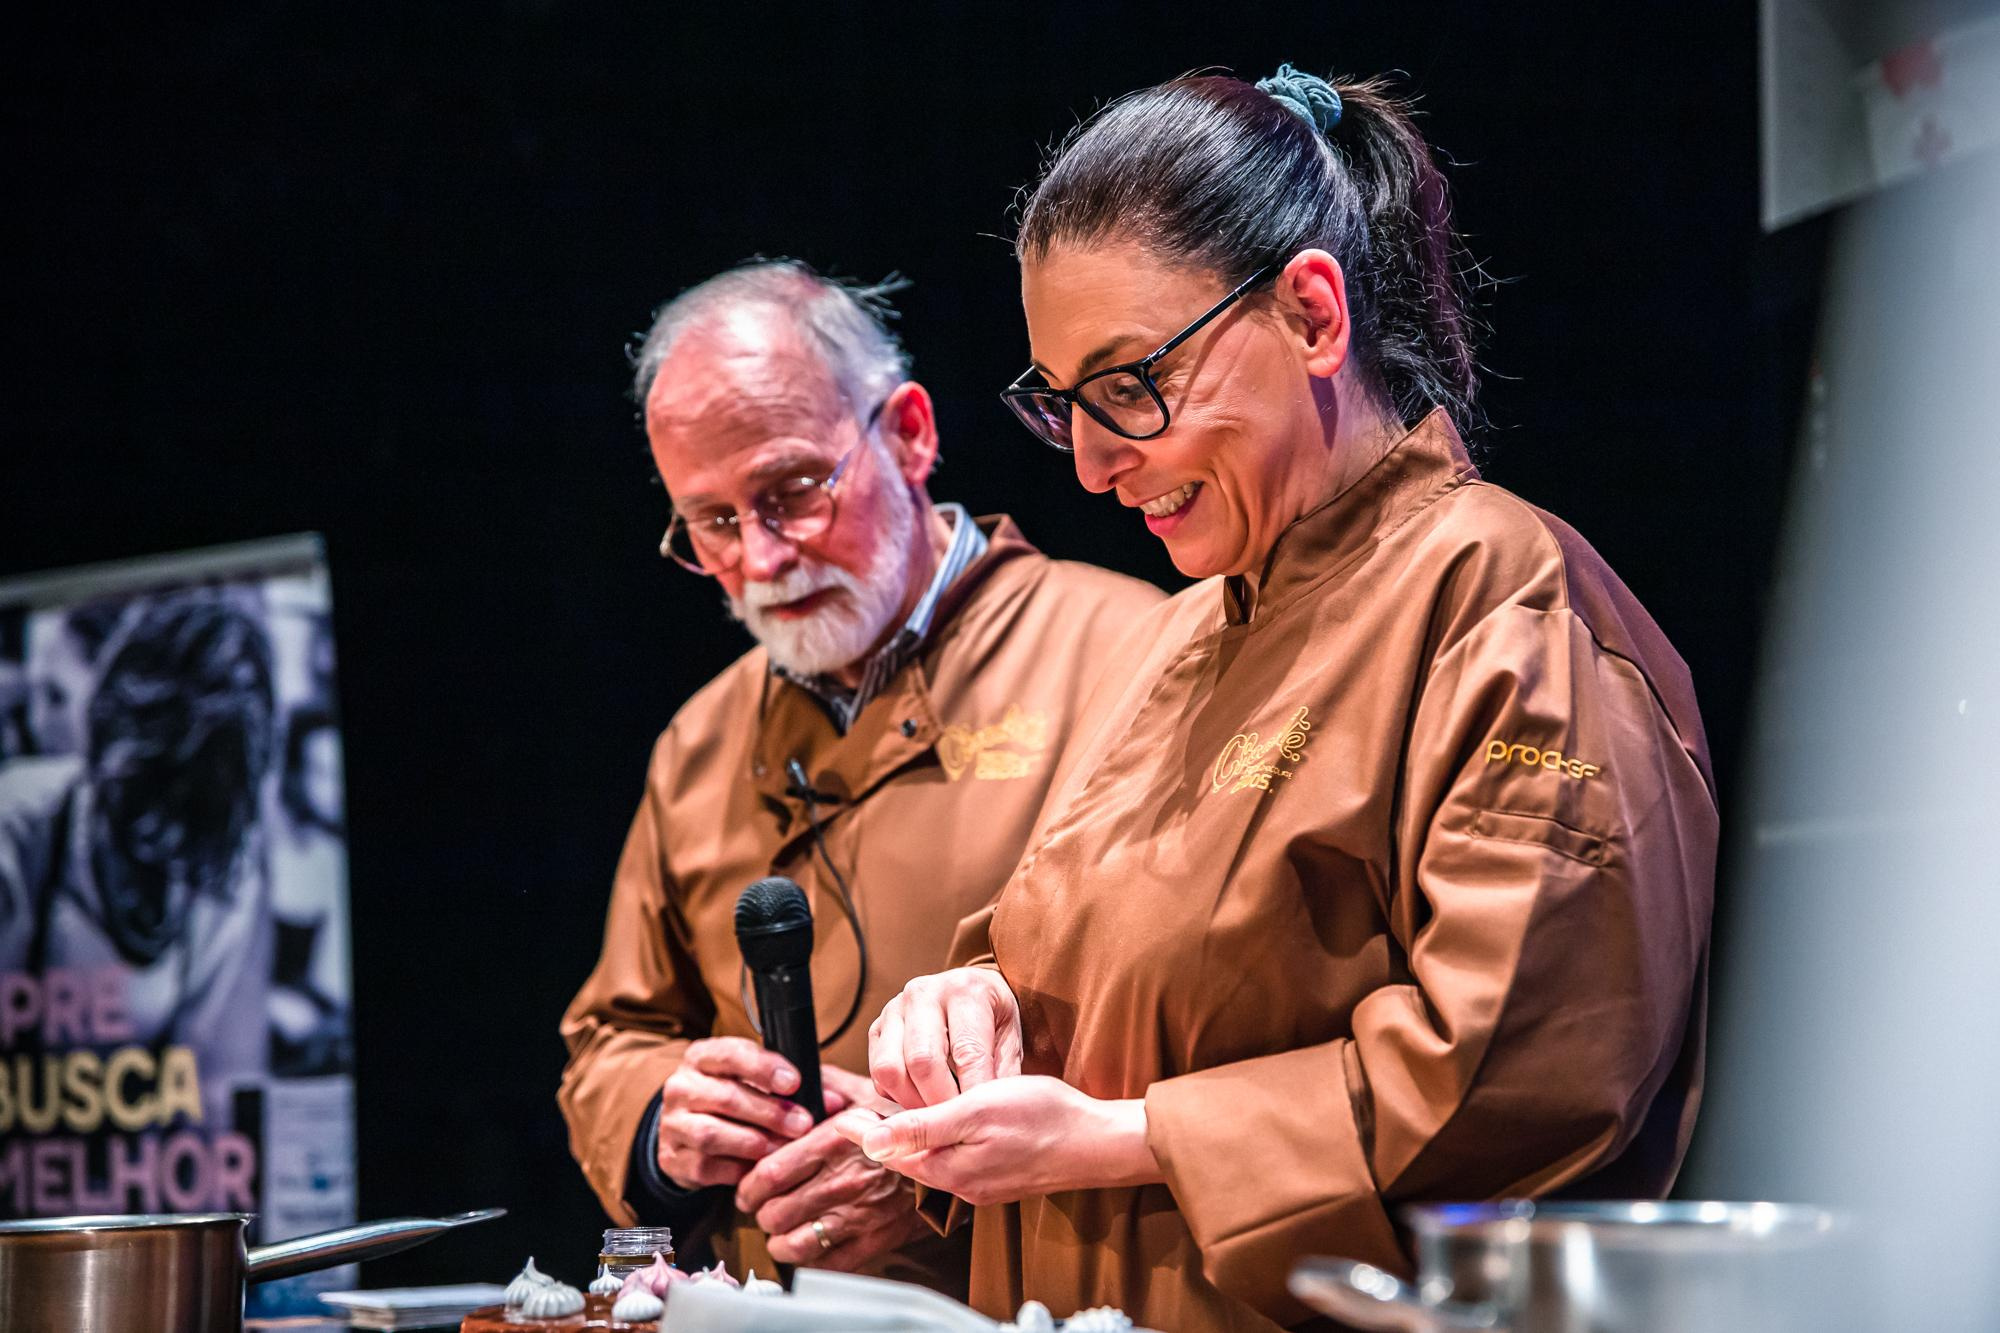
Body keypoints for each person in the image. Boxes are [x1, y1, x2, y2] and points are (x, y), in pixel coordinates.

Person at [848, 67, 1718, 1331]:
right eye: (1059, 404)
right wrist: (972, 1002)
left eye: (1127, 383)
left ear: (1313, 314)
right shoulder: (1185, 632)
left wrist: (1119, 1139)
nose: (1091, 463)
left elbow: (1520, 1080)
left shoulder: (1503, 600)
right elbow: (1108, 953)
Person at [557, 261, 1161, 1294]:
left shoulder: (1138, 655)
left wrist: (923, 1167)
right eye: (709, 523)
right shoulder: (697, 743)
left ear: (911, 433)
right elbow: (612, 1036)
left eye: (790, 490)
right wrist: (664, 1117)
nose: (759, 558)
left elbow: (1198, 1026)